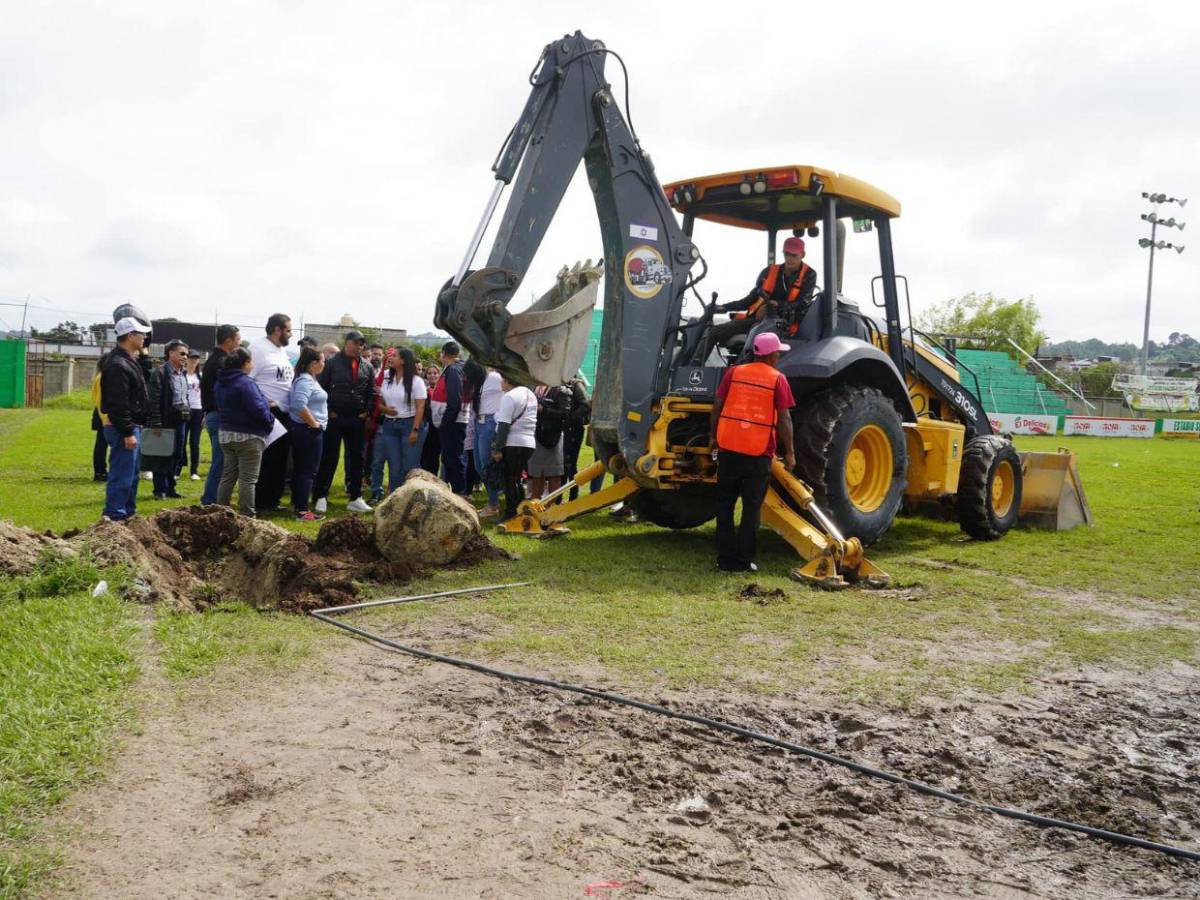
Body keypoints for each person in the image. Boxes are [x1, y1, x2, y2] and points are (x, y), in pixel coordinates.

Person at [708, 332, 796, 572]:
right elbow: (785, 419)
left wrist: (713, 438)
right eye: (778, 351)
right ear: (773, 355)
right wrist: (789, 453)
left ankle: (724, 560)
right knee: (751, 508)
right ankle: (744, 561)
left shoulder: (734, 373)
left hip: (728, 448)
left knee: (724, 505)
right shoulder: (778, 379)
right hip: (758, 452)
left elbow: (717, 406)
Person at [699, 236, 817, 363]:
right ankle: (694, 369)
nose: (790, 258)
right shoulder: (769, 271)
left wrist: (775, 305)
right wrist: (724, 307)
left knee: (755, 340)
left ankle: (741, 371)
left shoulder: (809, 275)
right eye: (787, 254)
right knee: (714, 331)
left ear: (802, 255)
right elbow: (751, 299)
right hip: (759, 321)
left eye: (794, 255)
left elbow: (802, 304)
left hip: (784, 325)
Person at [313, 329, 376, 514]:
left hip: (357, 418)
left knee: (358, 458)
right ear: (347, 343)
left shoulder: (367, 366)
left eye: (361, 343)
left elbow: (370, 391)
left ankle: (355, 497)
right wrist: (330, 411)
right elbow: (321, 388)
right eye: (355, 342)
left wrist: (366, 411)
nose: (359, 346)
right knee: (329, 457)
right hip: (335, 417)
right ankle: (321, 496)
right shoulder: (332, 363)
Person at [99, 318, 151, 521]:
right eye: (141, 334)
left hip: (131, 426)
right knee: (122, 475)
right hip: (123, 429)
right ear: (130, 336)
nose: (145, 338)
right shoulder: (118, 364)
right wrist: (127, 432)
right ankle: (114, 516)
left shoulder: (128, 360)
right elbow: (118, 402)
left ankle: (128, 514)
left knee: (131, 475)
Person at [215, 348, 274, 516]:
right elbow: (258, 409)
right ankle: (248, 517)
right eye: (251, 361)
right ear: (245, 363)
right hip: (248, 436)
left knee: (228, 476)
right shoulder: (246, 382)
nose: (253, 365)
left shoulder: (220, 381)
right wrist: (269, 421)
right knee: (248, 480)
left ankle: (222, 513)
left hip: (226, 434)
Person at [249, 314, 295, 511]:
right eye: (288, 330)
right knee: (267, 459)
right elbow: (247, 380)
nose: (291, 335)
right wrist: (260, 401)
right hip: (269, 412)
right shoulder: (258, 349)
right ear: (277, 330)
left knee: (281, 459)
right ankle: (261, 501)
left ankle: (274, 500)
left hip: (285, 412)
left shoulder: (281, 350)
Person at [200, 324, 241, 505]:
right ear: (228, 341)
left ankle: (215, 499)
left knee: (224, 462)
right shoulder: (222, 362)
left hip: (214, 415)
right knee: (222, 462)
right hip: (219, 416)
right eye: (238, 339)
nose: (239, 343)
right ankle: (210, 501)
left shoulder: (215, 359)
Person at [377, 347, 428, 492]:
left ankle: (412, 498)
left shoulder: (416, 381)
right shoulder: (387, 378)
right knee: (394, 465)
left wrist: (415, 430)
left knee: (410, 466)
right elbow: (380, 403)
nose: (391, 358)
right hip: (389, 426)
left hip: (410, 425)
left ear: (404, 361)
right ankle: (395, 500)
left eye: (395, 356)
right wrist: (386, 410)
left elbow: (420, 408)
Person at [146, 339, 190, 500]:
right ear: (170, 353)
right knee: (162, 454)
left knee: (177, 454)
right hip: (165, 420)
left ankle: (171, 487)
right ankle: (160, 490)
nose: (185, 357)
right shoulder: (160, 373)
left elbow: (184, 397)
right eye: (182, 353)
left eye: (186, 354)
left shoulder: (183, 374)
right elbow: (154, 399)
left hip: (181, 419)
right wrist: (156, 421)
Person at [491, 373, 538, 520]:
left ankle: (511, 514)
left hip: (513, 442)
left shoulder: (509, 397)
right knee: (517, 479)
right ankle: (520, 511)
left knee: (510, 479)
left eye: (501, 381)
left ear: (507, 380)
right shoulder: (530, 393)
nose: (500, 384)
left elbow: (503, 425)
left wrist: (498, 449)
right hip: (529, 442)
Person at [289, 346, 328, 521]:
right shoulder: (305, 380)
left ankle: (298, 506)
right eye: (322, 361)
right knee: (307, 471)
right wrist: (314, 424)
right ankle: (303, 511)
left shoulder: (310, 379)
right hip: (308, 430)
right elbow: (298, 404)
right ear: (313, 363)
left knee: (302, 470)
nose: (324, 364)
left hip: (306, 430)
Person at [430, 342, 470, 494]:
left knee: (453, 459)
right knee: (451, 459)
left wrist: (445, 422)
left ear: (444, 353)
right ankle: (458, 491)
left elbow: (455, 400)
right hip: (455, 420)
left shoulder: (453, 370)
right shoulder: (460, 368)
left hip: (452, 422)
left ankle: (459, 492)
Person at [529, 383, 570, 501]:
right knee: (537, 472)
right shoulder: (534, 388)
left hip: (553, 438)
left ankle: (553, 505)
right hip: (536, 435)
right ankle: (535, 501)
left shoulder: (561, 390)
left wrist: (544, 410)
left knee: (554, 474)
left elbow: (565, 415)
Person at [473, 366, 504, 517]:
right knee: (479, 466)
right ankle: (494, 497)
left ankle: (493, 504)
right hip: (479, 423)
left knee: (487, 466)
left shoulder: (494, 378)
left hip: (490, 422)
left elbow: (507, 392)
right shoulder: (479, 381)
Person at [563, 376, 591, 501]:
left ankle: (573, 497)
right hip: (565, 428)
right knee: (562, 465)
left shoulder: (576, 384)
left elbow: (586, 405)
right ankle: (558, 497)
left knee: (570, 464)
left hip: (573, 429)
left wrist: (570, 418)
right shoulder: (561, 382)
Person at [180, 349, 204, 480]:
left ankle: (194, 471)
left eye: (196, 358)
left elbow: (205, 395)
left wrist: (205, 413)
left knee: (194, 442)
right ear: (187, 359)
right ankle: (177, 469)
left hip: (198, 411)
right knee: (181, 441)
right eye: (191, 358)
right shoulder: (181, 375)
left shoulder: (201, 376)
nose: (193, 360)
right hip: (184, 411)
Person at [90, 354, 110, 481]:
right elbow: (99, 399)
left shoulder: (100, 376)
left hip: (101, 414)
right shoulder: (102, 377)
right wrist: (105, 417)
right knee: (102, 445)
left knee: (101, 444)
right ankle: (100, 472)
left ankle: (100, 471)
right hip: (104, 414)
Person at [420, 364, 442, 474]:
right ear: (426, 376)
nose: (432, 375)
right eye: (429, 373)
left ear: (439, 374)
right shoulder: (423, 390)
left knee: (434, 457)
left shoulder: (444, 391)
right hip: (425, 427)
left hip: (438, 429)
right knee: (424, 456)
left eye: (435, 373)